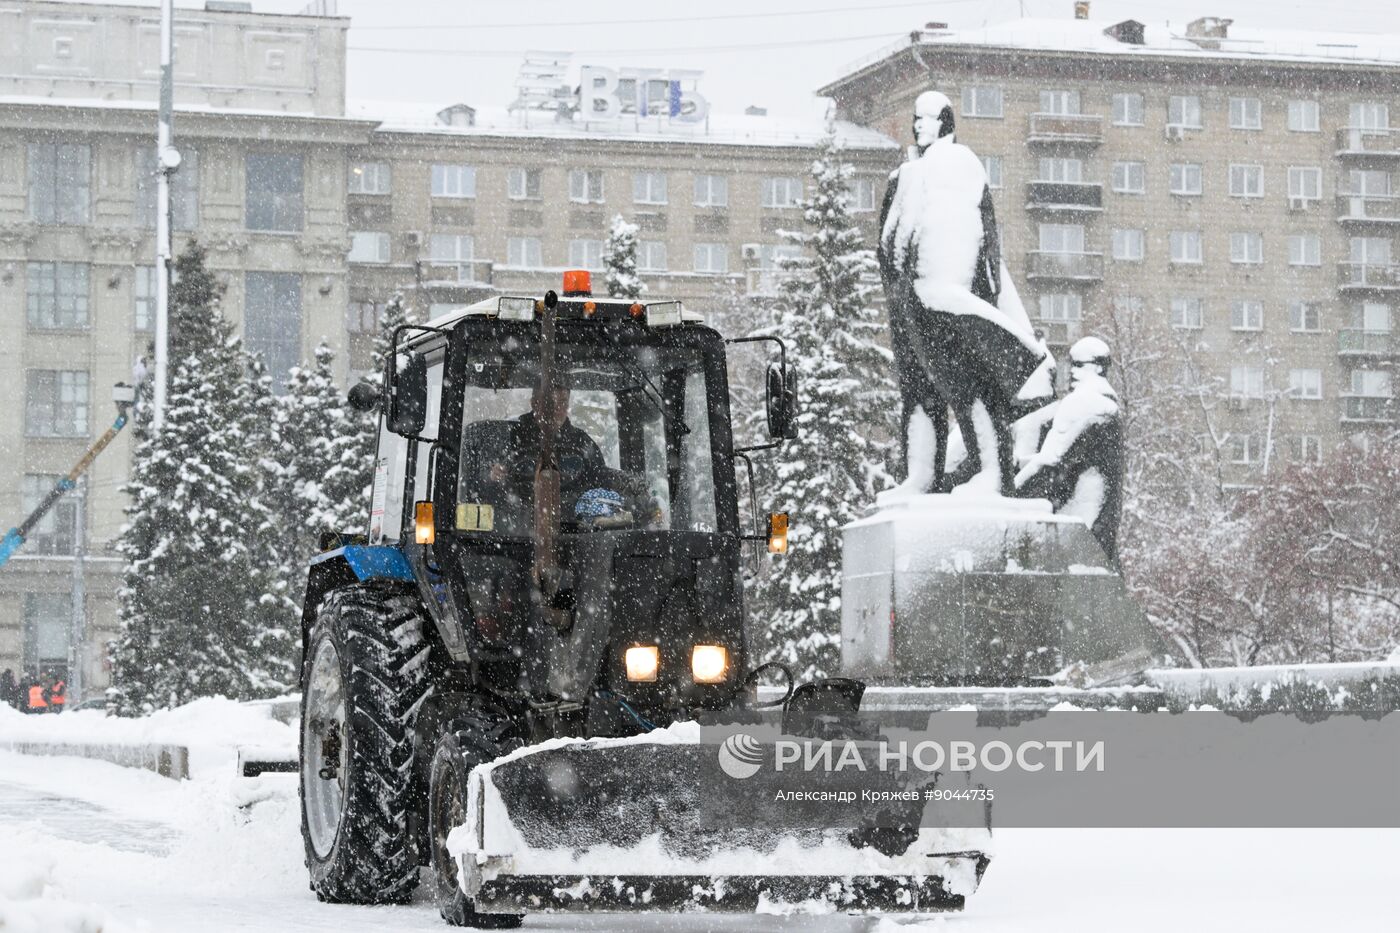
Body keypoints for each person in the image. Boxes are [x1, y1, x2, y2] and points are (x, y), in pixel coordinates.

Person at [878, 89, 1051, 495]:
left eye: (929, 117)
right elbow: (888, 236)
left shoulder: (959, 165)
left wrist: (958, 293)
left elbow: (980, 237)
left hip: (943, 293)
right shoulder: (905, 174)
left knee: (966, 384)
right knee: (918, 392)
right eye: (916, 118)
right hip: (907, 298)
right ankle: (922, 476)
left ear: (946, 122)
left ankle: (993, 474)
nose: (920, 125)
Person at [1014, 337, 1124, 562]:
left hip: (1081, 523)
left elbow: (1053, 465)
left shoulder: (1087, 406)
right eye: (1072, 365)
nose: (1073, 372)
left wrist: (1012, 491)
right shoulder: (1105, 407)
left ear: (1099, 368)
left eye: (1080, 366)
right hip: (1095, 524)